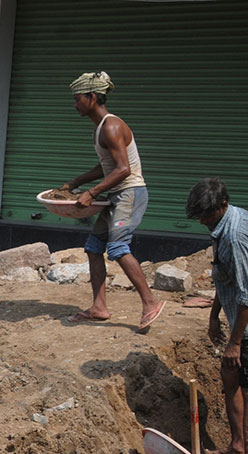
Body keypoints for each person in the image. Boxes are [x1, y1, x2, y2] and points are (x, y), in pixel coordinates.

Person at [59, 71, 164, 332]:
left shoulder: (111, 126)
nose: (75, 105)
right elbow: (105, 166)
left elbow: (123, 169)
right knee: (94, 247)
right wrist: (75, 182)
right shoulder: (101, 128)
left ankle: (150, 303)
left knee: (117, 248)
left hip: (130, 193)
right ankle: (99, 307)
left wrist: (91, 193)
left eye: (77, 99)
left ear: (91, 97)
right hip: (118, 194)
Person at [185, 178, 248, 454]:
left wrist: (235, 342)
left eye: (207, 216)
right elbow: (227, 277)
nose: (203, 222)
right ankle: (237, 446)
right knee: (228, 374)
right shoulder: (227, 223)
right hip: (240, 318)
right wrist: (213, 316)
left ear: (222, 206)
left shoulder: (235, 235)